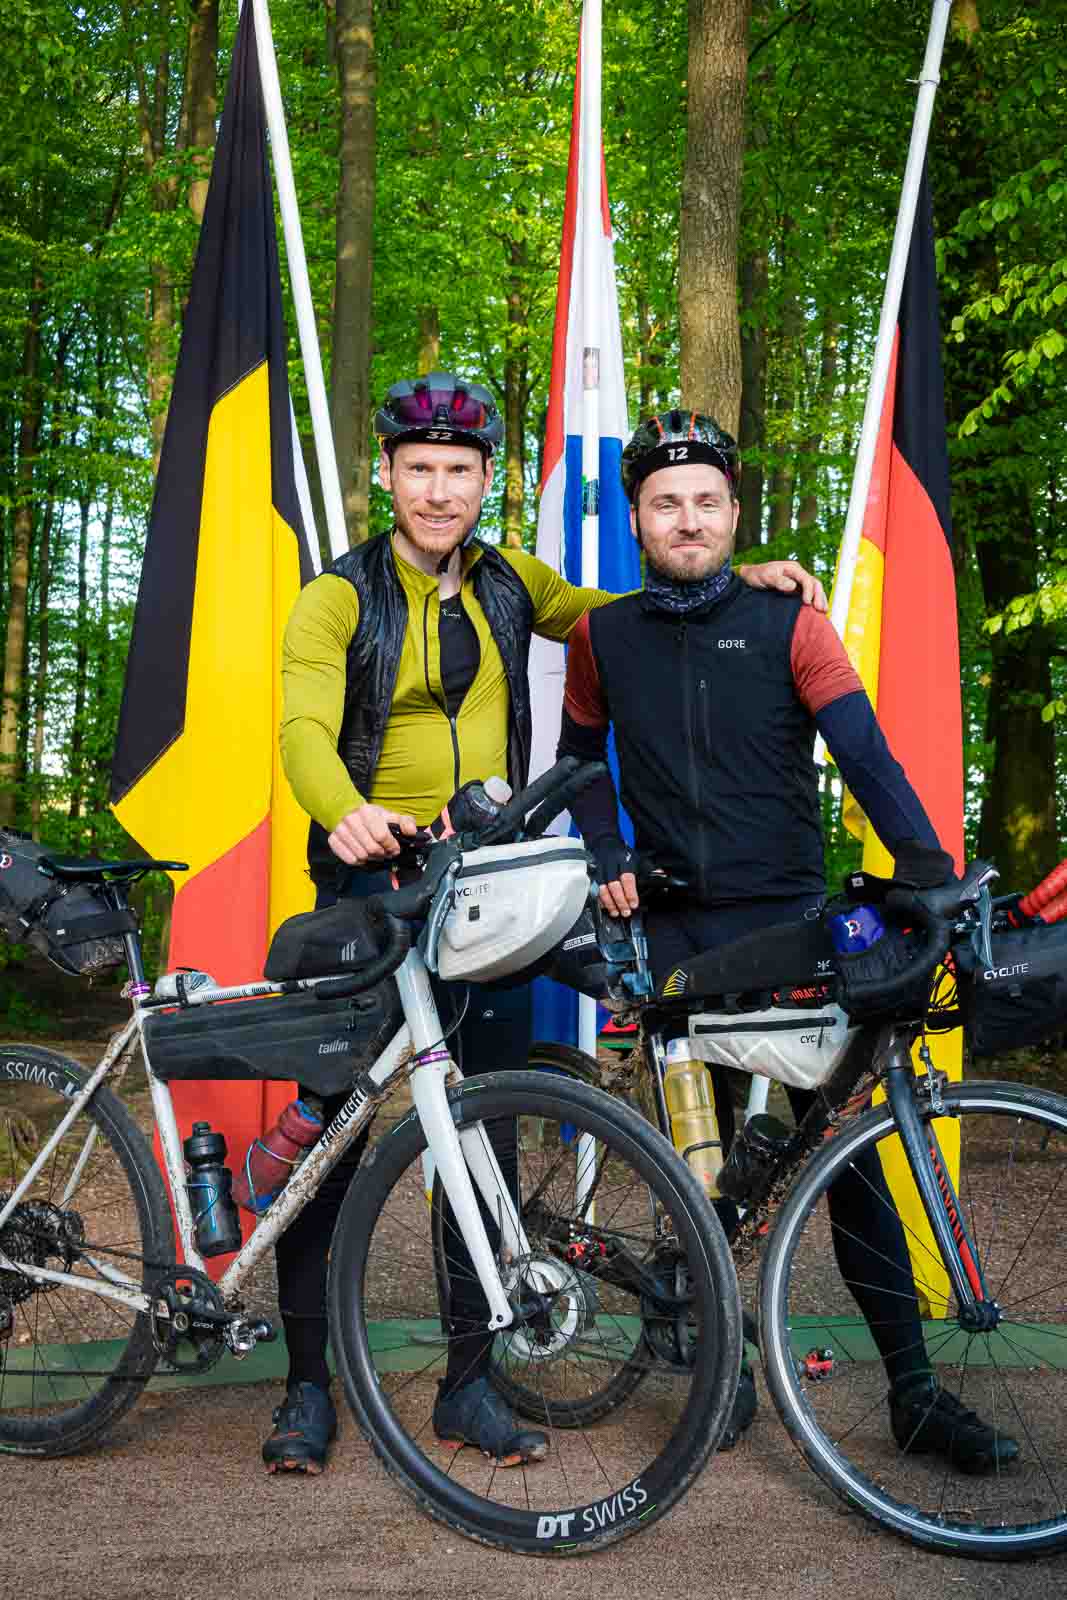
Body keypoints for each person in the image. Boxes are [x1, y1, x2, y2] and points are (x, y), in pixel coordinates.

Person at [268, 373, 824, 1475]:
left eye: (459, 472)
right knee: (331, 1137)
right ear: (385, 476)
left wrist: (747, 576)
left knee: (484, 1132)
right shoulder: (337, 596)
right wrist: (348, 813)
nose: (437, 490)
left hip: (487, 890)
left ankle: (467, 1385)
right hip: (368, 890)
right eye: (417, 470)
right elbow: (299, 727)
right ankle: (302, 1385)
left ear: (486, 483)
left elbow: (626, 617)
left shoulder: (512, 580)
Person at [556, 408, 1019, 1472]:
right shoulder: (600, 635)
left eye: (706, 502)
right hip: (674, 933)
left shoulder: (791, 623)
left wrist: (934, 878)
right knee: (698, 1168)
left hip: (788, 928)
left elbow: (864, 753)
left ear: (731, 512)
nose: (687, 519)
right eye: (665, 502)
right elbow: (580, 756)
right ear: (636, 515)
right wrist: (601, 851)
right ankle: (711, 1359)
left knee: (840, 1162)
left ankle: (911, 1389)